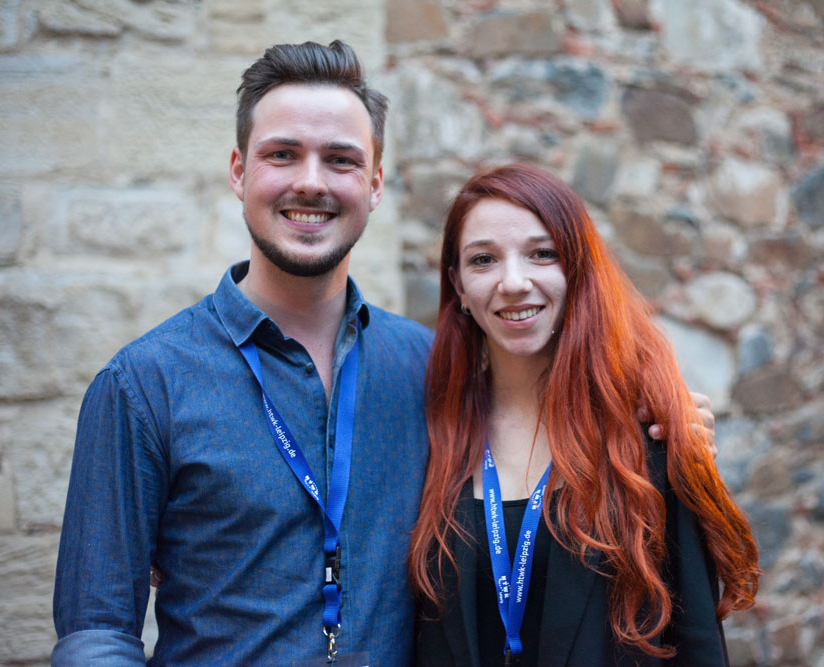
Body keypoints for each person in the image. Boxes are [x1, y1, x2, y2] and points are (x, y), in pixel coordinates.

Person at [53, 41, 716, 665]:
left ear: (373, 184)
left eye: (340, 160)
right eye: (282, 154)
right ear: (238, 171)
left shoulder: (432, 369)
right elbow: (96, 628)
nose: (311, 182)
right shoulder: (142, 385)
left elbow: (546, 401)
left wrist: (666, 416)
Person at [408, 164, 760, 665]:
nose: (513, 282)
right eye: (483, 259)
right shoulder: (429, 433)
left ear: (576, 269)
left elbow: (698, 642)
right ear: (459, 287)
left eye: (541, 254)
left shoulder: (646, 435)